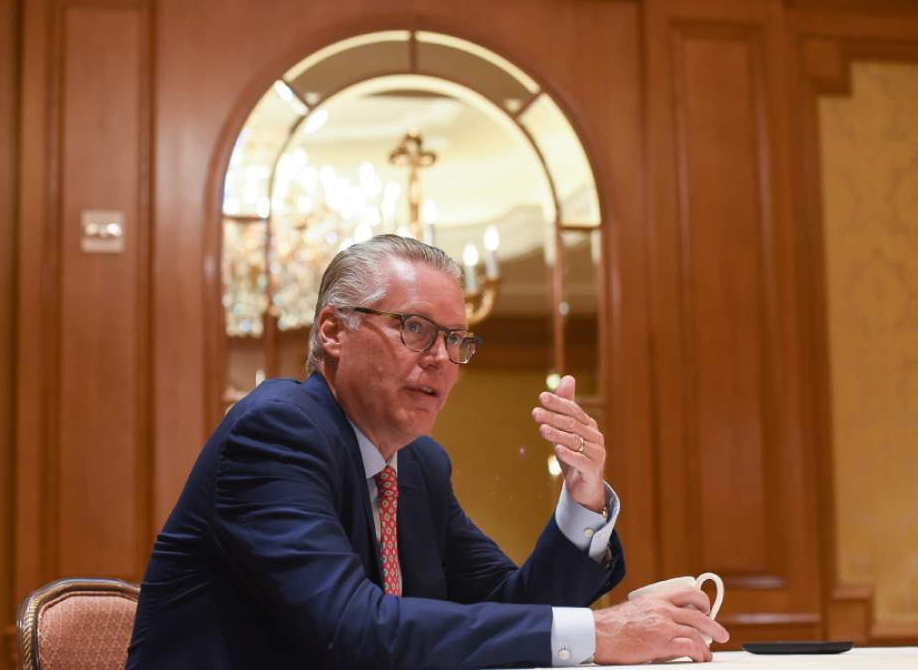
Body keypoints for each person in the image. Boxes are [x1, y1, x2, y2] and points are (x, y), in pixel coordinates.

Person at [126, 235, 727, 669]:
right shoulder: (277, 431)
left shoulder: (418, 464)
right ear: (334, 332)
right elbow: (355, 630)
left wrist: (583, 498)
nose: (441, 357)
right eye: (414, 328)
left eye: (456, 339)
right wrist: (600, 631)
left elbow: (511, 606)